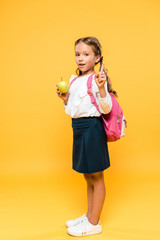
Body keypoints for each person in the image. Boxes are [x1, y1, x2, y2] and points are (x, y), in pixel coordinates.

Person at [56, 36, 118, 237]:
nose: (80, 58)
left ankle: (93, 224)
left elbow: (106, 108)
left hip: (92, 128)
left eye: (86, 54)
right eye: (77, 54)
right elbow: (73, 110)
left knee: (97, 176)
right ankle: (91, 215)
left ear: (97, 57)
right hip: (79, 128)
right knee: (87, 175)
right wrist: (66, 100)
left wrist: (102, 88)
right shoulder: (74, 80)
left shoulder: (97, 79)